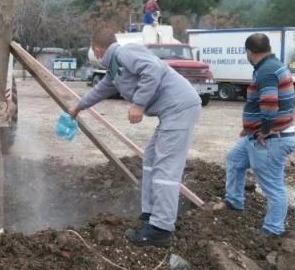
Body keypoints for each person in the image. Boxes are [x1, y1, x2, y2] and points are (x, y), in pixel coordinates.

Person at [69, 28, 201, 247]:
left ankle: (160, 229)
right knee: (151, 159)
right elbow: (102, 89)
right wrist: (78, 107)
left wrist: (138, 104)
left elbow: (153, 69)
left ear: (97, 49)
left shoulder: (125, 53)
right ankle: (150, 214)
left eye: (92, 50)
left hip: (180, 108)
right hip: (172, 111)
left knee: (166, 167)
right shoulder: (115, 67)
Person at [223, 33, 295, 237]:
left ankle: (273, 229)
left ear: (249, 52)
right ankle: (234, 203)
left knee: (272, 185)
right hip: (256, 135)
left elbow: (270, 103)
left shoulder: (266, 71)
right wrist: (250, 128)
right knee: (234, 160)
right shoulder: (272, 66)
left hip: (271, 139)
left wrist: (264, 129)